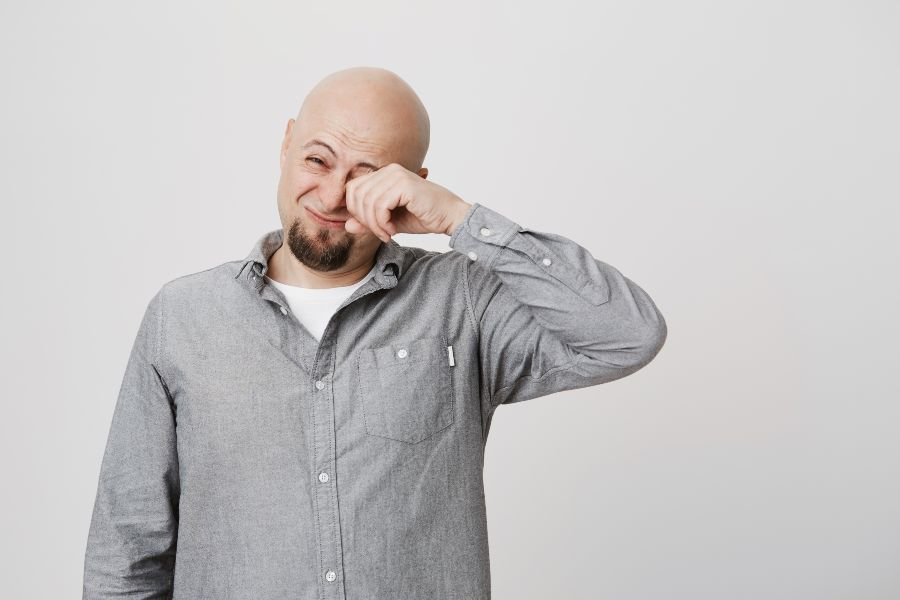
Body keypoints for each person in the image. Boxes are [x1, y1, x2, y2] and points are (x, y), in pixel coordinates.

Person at [82, 66, 668, 599]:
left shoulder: (462, 303)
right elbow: (129, 546)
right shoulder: (183, 316)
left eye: (366, 176)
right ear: (286, 143)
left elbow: (627, 335)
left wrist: (461, 219)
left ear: (412, 183)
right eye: (317, 160)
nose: (333, 197)